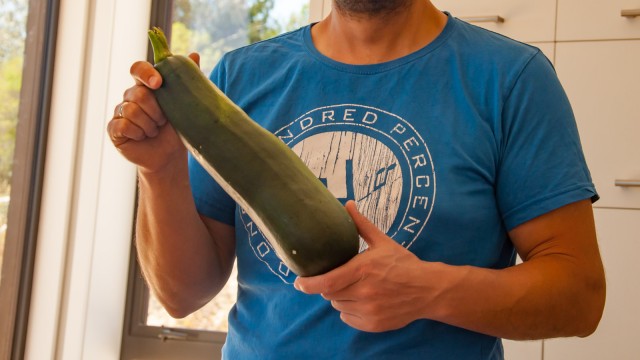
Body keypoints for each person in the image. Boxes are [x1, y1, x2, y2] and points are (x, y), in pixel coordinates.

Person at [107, 0, 606, 358]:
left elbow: (579, 296)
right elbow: (182, 294)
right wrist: (161, 168)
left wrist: (429, 290)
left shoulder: (511, 78)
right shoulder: (241, 77)